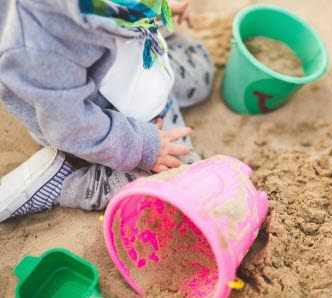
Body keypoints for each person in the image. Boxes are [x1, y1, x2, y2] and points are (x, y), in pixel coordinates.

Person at [0, 0, 215, 222]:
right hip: (100, 125)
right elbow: (72, 127)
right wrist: (143, 148)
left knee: (200, 73)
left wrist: (154, 9)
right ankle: (66, 180)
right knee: (184, 181)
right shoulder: (39, 44)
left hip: (135, 69)